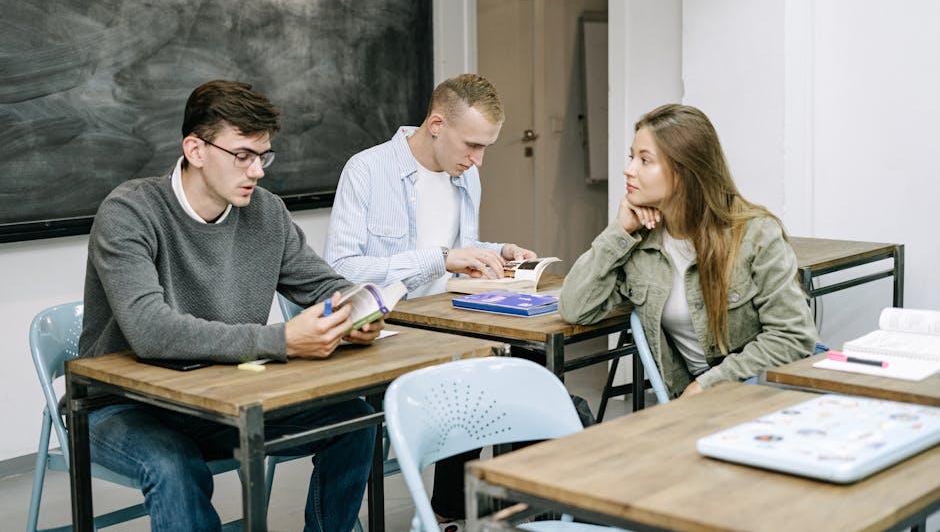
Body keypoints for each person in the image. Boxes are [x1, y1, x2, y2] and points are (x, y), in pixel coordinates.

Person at [80, 80, 383, 532]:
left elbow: (323, 284)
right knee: (173, 465)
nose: (257, 170)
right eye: (242, 155)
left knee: (356, 420)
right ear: (196, 149)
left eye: (263, 156)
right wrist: (282, 341)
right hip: (121, 405)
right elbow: (150, 330)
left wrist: (356, 312)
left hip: (220, 398)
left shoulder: (266, 213)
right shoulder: (129, 211)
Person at [324, 73, 535, 529]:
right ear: (436, 124)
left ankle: (489, 512)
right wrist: (438, 259)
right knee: (482, 378)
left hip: (453, 323)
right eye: (472, 146)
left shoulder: (465, 178)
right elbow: (340, 271)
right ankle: (454, 509)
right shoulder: (366, 170)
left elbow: (462, 249)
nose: (477, 161)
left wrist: (496, 252)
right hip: (388, 332)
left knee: (530, 375)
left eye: (485, 149)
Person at [560, 104, 819, 400]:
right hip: (703, 401)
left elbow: (793, 337)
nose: (628, 169)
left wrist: (709, 384)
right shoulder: (639, 244)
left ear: (683, 172)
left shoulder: (756, 234)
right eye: (631, 157)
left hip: (768, 388)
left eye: (645, 160)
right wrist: (618, 231)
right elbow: (575, 307)